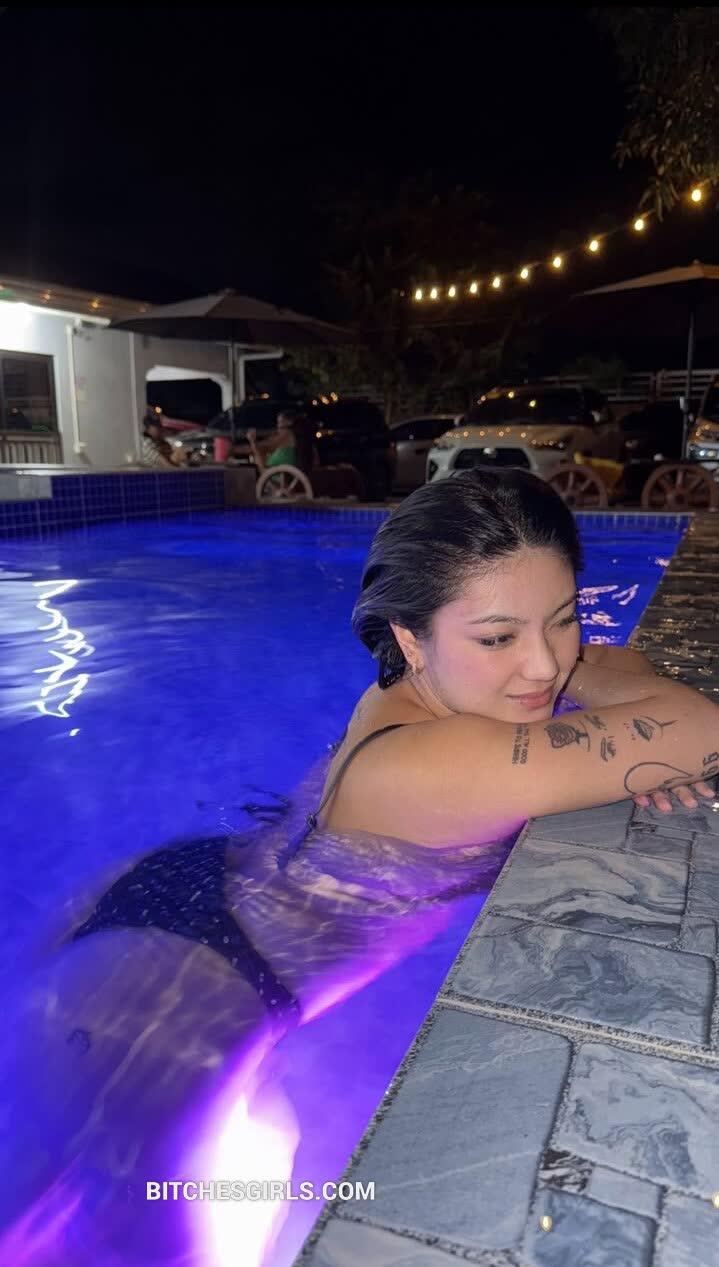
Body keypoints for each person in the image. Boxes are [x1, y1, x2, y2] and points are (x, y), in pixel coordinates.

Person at [316, 467, 717, 845]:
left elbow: (628, 664)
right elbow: (706, 728)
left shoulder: (414, 689)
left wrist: (651, 744)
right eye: (498, 639)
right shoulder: (419, 765)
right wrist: (654, 744)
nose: (545, 666)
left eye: (563, 620)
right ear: (410, 639)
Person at [244, 407, 300, 473]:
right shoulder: (289, 437)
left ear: (289, 422)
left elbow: (266, 445)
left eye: (280, 422)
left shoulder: (287, 435)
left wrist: (252, 441)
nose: (278, 426)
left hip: (276, 476)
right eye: (278, 423)